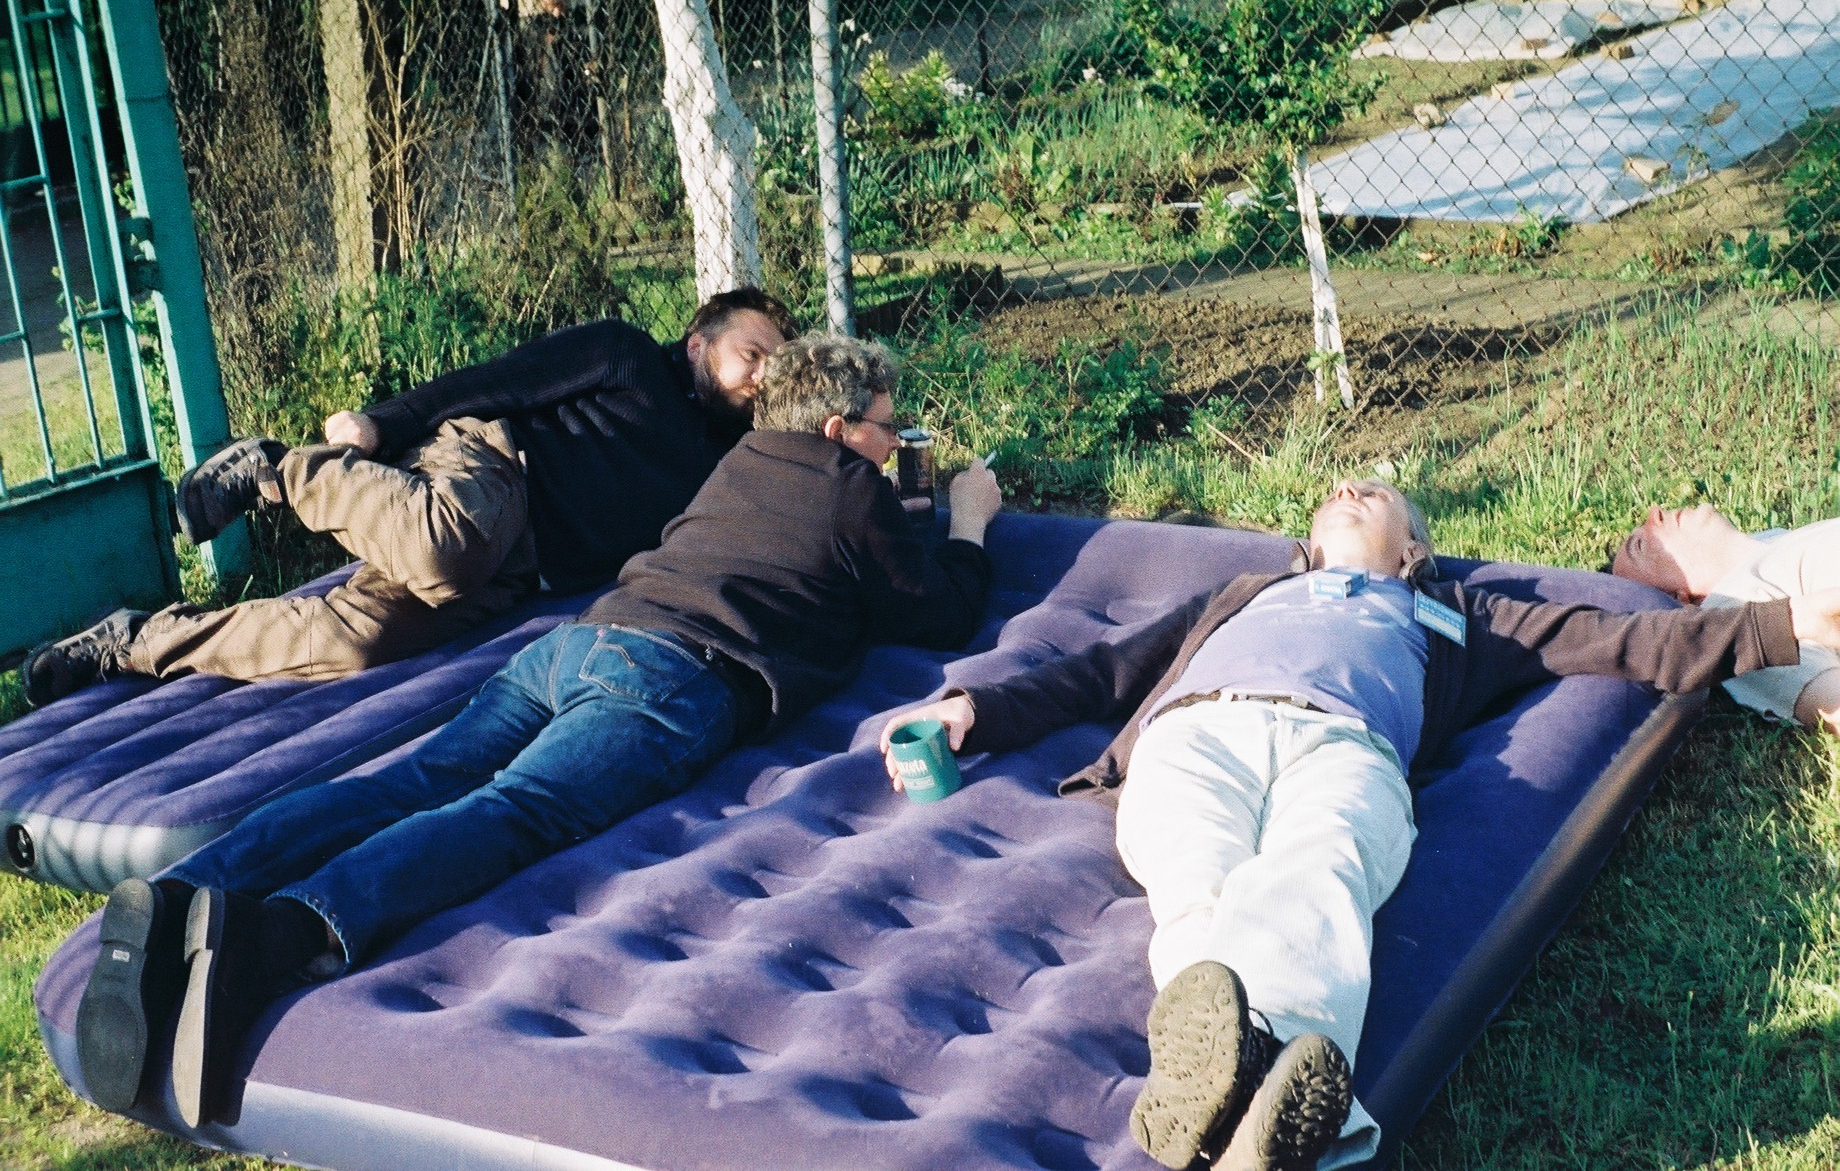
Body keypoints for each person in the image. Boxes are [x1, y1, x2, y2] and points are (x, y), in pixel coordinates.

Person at [73, 332, 1003, 1128]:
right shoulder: (851, 485)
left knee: (407, 782)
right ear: (838, 431)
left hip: (577, 642)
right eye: (886, 426)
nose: (895, 441)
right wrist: (968, 521)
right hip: (676, 676)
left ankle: (183, 893)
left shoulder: (741, 461)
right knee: (515, 811)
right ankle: (273, 942)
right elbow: (942, 613)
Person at [878, 479, 1840, 1171]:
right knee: (1191, 869)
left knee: (1325, 869)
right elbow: (1105, 671)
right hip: (1197, 735)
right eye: (1336, 489)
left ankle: (1231, 1102)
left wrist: (1784, 625)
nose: (1347, 488)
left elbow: (1630, 640)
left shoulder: (1460, 613)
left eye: (1373, 492)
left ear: (1412, 546)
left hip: (1347, 748)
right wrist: (977, 709)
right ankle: (1279, 1119)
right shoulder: (1244, 593)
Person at [22, 288, 798, 706]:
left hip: (520, 569)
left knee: (350, 642)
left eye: (775, 367)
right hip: (494, 470)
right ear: (699, 341)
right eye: (750, 352)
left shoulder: (729, 463)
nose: (760, 374)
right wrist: (380, 423)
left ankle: (132, 643)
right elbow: (497, 380)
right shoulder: (630, 358)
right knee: (444, 546)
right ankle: (277, 470)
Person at [1612, 502, 1839, 734]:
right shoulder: (1738, 622)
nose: (1655, 512)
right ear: (1677, 599)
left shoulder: (1769, 543)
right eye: (1640, 546)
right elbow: (1832, 703)